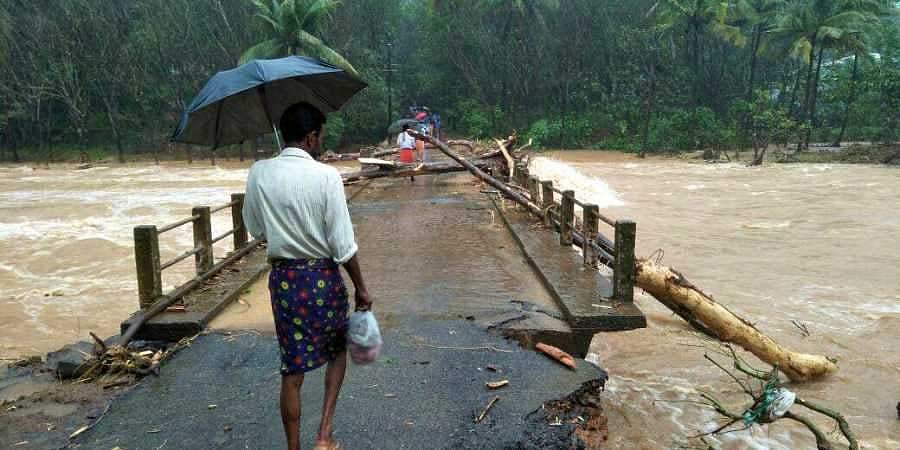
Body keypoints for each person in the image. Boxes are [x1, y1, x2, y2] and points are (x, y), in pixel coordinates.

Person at [243, 102, 372, 450]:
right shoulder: (327, 176)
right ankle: (324, 435)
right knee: (336, 352)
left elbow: (255, 229)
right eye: (321, 136)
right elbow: (343, 245)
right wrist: (361, 288)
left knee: (292, 368)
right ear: (311, 137)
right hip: (322, 279)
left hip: (285, 282)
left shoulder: (259, 173)